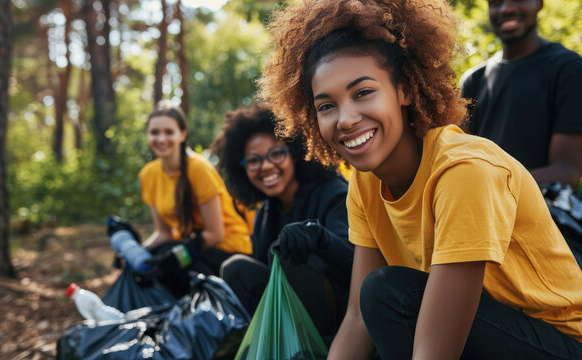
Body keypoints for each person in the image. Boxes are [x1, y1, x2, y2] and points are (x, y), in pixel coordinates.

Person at [258, 0, 582, 359]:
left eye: (363, 92)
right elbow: (356, 320)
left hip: (561, 342)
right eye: (326, 106)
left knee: (390, 293)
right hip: (488, 331)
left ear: (405, 90)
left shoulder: (464, 171)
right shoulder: (366, 183)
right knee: (377, 296)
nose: (345, 119)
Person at [210, 104, 354, 341]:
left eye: (276, 154)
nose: (266, 166)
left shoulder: (332, 193)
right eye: (254, 161)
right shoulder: (266, 212)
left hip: (342, 316)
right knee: (235, 268)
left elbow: (356, 263)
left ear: (295, 154)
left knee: (291, 256)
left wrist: (319, 238)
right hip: (287, 321)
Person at [459, 0, 582, 188]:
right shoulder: (474, 80)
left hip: (540, 214)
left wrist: (490, 185)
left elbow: (567, 172)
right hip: (486, 214)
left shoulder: (568, 69)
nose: (506, 8)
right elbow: (462, 159)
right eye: (496, 2)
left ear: (539, 3)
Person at [136, 102, 252, 298]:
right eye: (155, 132)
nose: (161, 138)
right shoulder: (148, 174)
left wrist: (176, 256)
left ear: (182, 134)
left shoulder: (198, 168)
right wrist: (137, 251)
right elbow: (163, 233)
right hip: (193, 248)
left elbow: (216, 234)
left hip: (228, 251)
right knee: (151, 261)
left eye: (168, 132)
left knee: (170, 258)